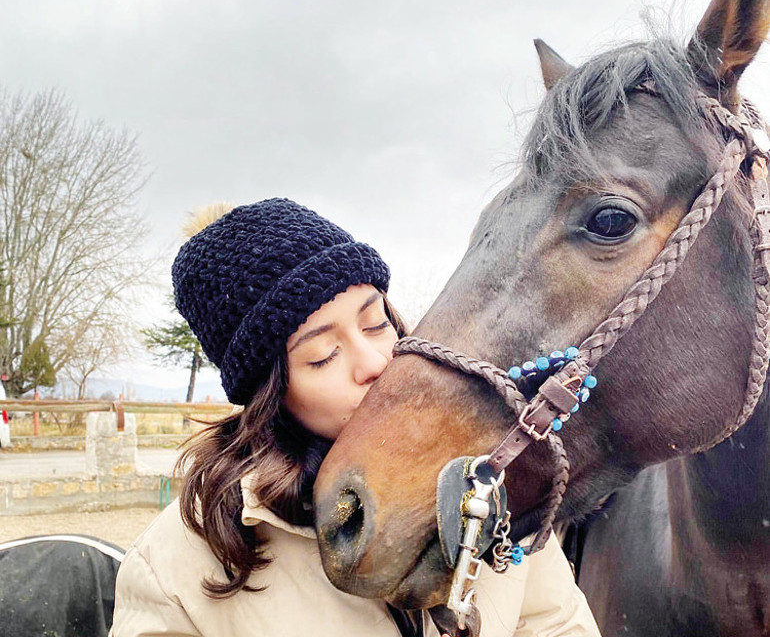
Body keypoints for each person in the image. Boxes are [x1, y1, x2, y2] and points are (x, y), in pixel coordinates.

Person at [110, 198, 600, 637]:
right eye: (323, 354)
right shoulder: (176, 567)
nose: (374, 362)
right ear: (270, 395)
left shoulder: (486, 480)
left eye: (376, 323)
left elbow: (557, 624)